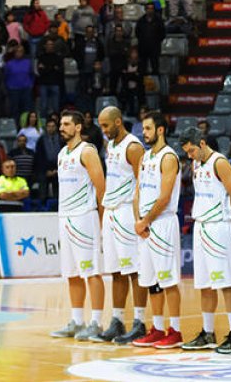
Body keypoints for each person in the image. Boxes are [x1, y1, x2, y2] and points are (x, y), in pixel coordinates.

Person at [178, 127, 231, 354]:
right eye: (187, 152)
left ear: (203, 143)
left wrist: (228, 223)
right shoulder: (197, 164)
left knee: (225, 282)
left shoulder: (220, 163)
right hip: (201, 227)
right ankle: (208, 332)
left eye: (192, 150)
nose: (190, 156)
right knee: (205, 285)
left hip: (218, 227)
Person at [89, 107, 149, 344]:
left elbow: (143, 184)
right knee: (115, 270)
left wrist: (139, 216)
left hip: (127, 211)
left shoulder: (133, 147)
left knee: (134, 269)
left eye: (105, 126)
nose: (102, 131)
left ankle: (140, 322)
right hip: (112, 211)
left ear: (118, 121)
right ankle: (117, 320)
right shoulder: (110, 146)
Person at [49, 111, 108, 341]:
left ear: (78, 128)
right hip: (65, 217)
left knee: (91, 271)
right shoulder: (63, 153)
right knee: (72, 273)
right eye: (60, 123)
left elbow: (101, 189)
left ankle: (96, 322)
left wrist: (102, 221)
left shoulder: (88, 151)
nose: (61, 127)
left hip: (85, 217)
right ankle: (76, 321)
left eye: (66, 124)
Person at [129, 112, 184, 349]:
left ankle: (175, 330)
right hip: (145, 224)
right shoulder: (144, 157)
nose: (145, 133)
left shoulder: (169, 157)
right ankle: (158, 327)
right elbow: (138, 191)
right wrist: (138, 220)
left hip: (162, 223)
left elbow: (165, 196)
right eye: (144, 128)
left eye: (149, 128)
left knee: (168, 279)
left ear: (161, 130)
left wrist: (146, 220)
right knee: (151, 280)